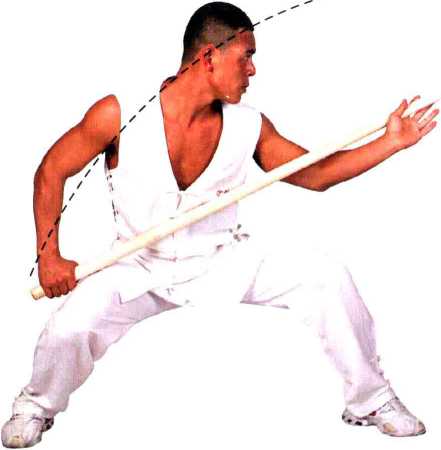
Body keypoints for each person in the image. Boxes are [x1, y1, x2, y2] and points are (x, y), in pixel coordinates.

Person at [2, 2, 438, 447]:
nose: (252, 70)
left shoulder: (250, 125)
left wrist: (390, 144)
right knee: (69, 327)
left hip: (221, 258)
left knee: (327, 278)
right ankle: (35, 407)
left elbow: (316, 174)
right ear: (209, 56)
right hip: (136, 265)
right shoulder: (119, 113)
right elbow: (51, 171)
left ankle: (371, 400)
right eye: (246, 56)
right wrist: (48, 255)